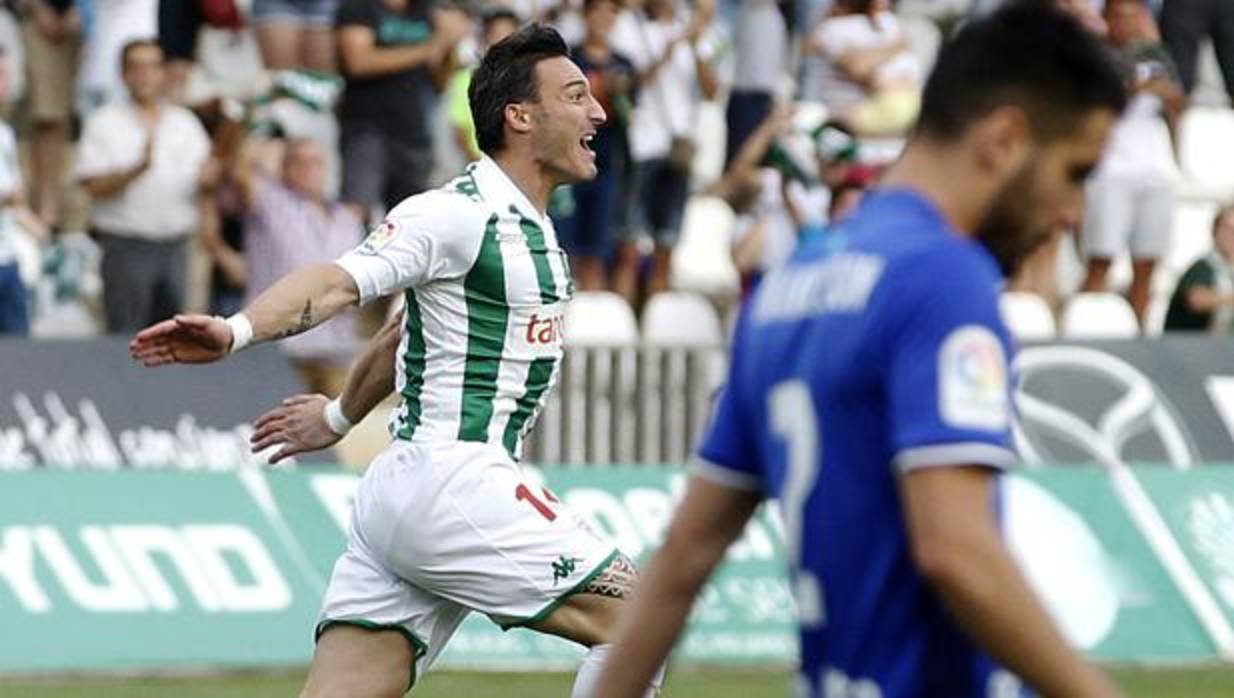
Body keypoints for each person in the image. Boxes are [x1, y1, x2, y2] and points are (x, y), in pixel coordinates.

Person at [594, 4, 1128, 698]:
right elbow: (956, 551)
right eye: (1076, 172)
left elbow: (677, 565)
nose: (1072, 213)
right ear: (1004, 139)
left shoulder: (792, 285)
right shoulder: (944, 279)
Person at [130, 24, 663, 698]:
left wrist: (338, 412)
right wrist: (235, 331)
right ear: (520, 116)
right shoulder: (458, 214)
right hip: (458, 482)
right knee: (644, 620)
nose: (598, 112)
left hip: (407, 495)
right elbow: (336, 281)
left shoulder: (529, 227)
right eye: (577, 95)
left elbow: (404, 331)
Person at [75, 38, 215, 333]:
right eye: (136, 67)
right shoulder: (103, 122)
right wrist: (134, 171)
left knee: (177, 337)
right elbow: (91, 186)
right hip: (126, 244)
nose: (145, 75)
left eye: (152, 66)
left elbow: (205, 180)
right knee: (126, 337)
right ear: (123, 74)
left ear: (163, 72)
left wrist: (211, 179)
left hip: (175, 244)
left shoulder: (184, 122)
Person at [1079, 0, 1184, 329]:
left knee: (1147, 265)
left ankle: (1140, 335)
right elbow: (1093, 107)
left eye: (1132, 15)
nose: (1127, 23)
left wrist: (1167, 94)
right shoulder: (1093, 56)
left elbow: (1180, 100)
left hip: (1154, 166)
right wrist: (1134, 90)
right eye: (1119, 16)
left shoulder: (1155, 54)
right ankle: (1082, 328)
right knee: (1101, 260)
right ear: (1106, 18)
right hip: (1112, 167)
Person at [335, 0, 472, 220]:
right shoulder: (359, 7)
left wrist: (448, 43)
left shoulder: (424, 10)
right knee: (356, 211)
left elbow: (441, 80)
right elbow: (357, 62)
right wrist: (427, 47)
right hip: (366, 126)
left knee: (409, 219)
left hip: (413, 130)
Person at [556, 0, 637, 291]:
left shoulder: (625, 64)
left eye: (611, 11)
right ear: (586, 14)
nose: (604, 18)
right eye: (598, 10)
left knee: (597, 251)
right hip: (568, 167)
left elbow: (630, 116)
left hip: (605, 163)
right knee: (564, 249)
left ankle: (595, 322)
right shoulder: (568, 59)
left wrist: (619, 95)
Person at [20, 0, 82, 228]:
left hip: (80, 21)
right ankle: (45, 207)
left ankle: (53, 204)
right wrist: (38, 7)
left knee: (58, 115)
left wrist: (82, 8)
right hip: (37, 21)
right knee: (47, 114)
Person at [444, 5, 521, 161]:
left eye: (510, 34)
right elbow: (458, 129)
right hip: (479, 165)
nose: (504, 41)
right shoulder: (465, 79)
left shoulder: (533, 78)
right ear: (485, 37)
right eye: (497, 34)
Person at [1164, 204, 1234, 332]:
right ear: (1215, 231)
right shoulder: (1204, 266)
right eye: (1226, 229)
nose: (1231, 235)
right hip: (1189, 345)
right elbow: (1196, 300)